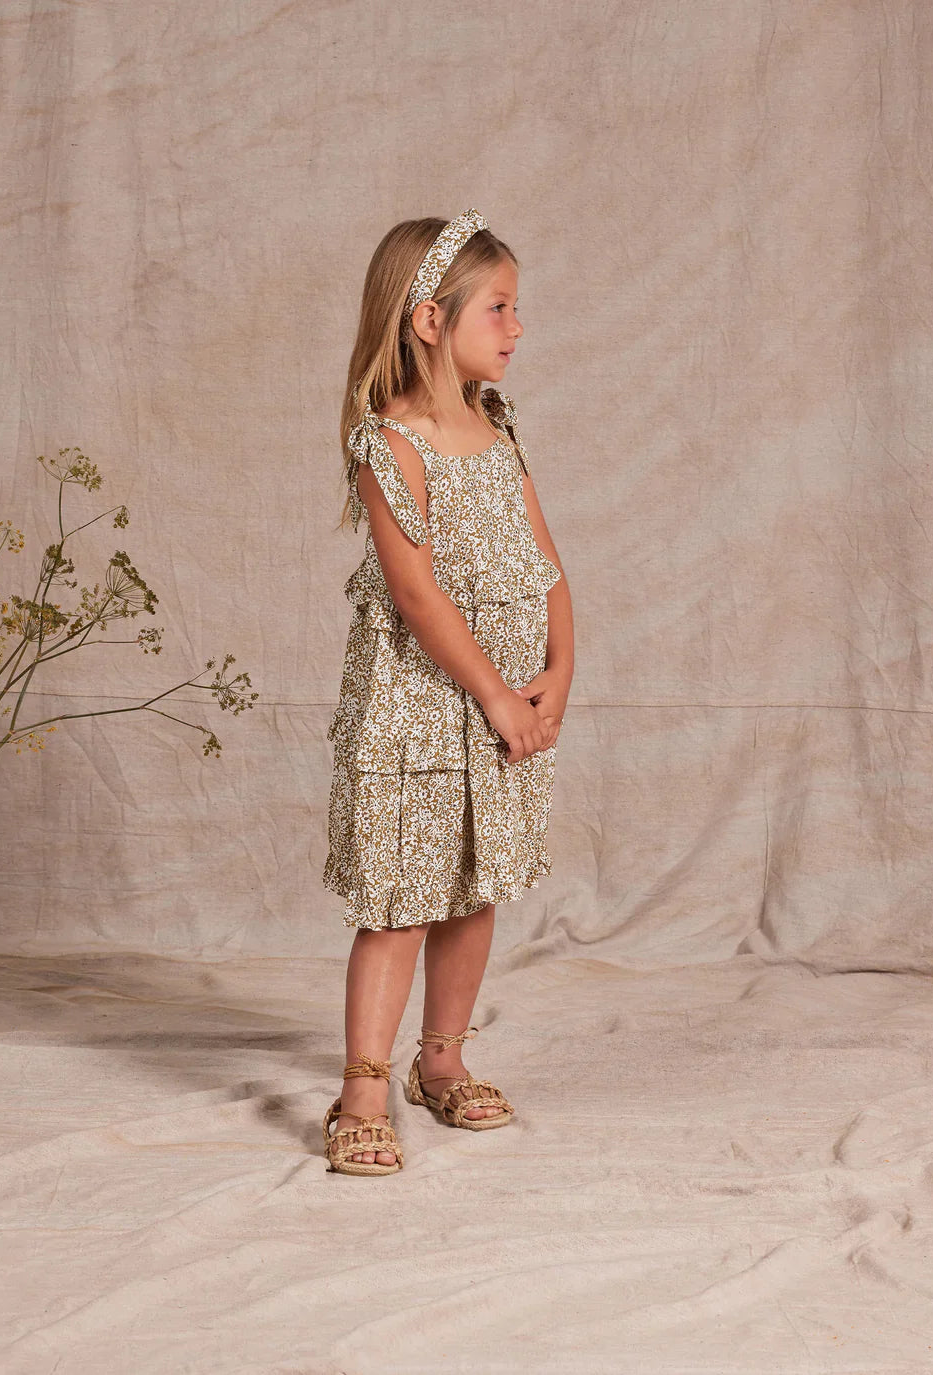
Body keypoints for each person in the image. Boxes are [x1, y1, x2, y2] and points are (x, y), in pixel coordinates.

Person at [321, 208, 574, 1176]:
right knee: (401, 897)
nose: (517, 326)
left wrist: (558, 670)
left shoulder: (496, 426)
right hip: (420, 710)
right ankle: (362, 1086)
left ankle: (443, 1059)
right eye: (498, 307)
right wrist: (494, 696)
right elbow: (417, 596)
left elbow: (546, 560)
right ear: (430, 319)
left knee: (474, 886)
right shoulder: (390, 444)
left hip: (504, 702)